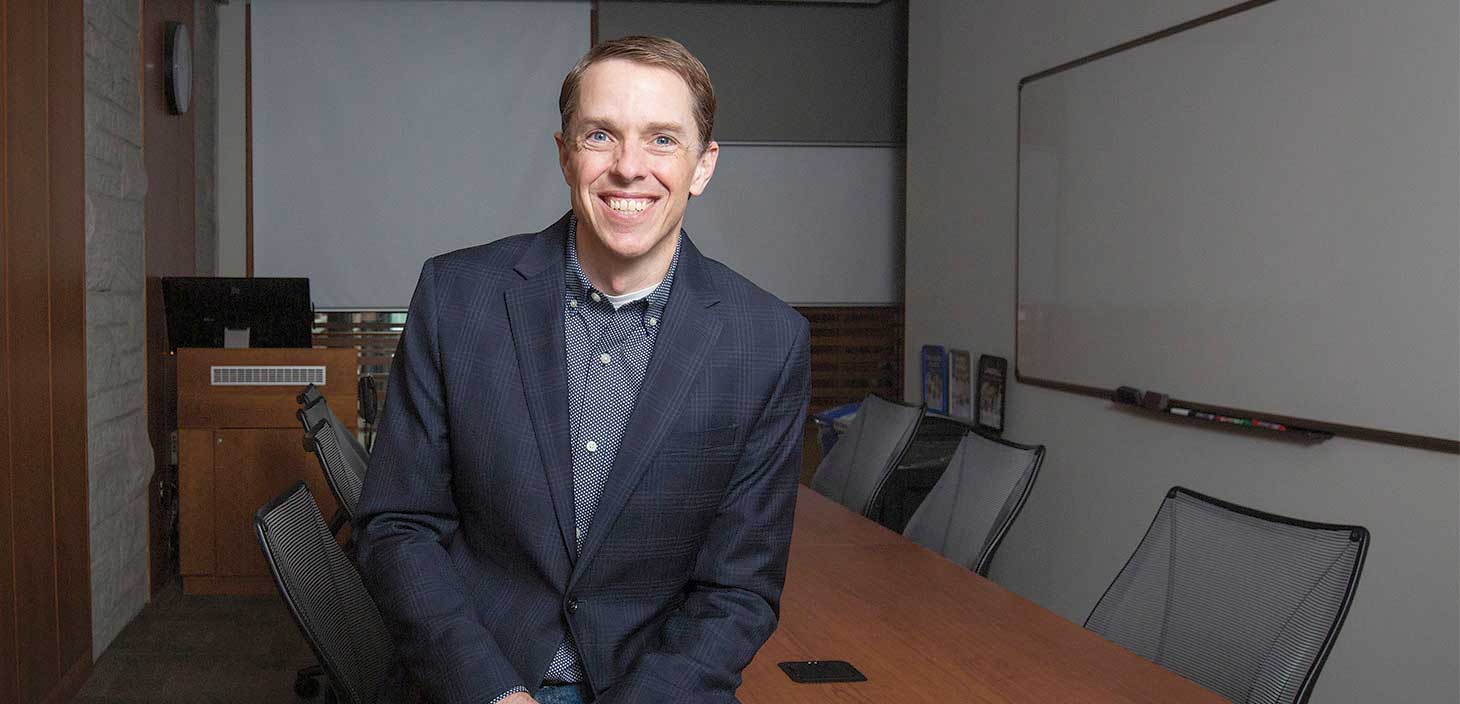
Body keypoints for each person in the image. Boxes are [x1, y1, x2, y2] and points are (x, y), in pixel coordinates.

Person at [354, 35, 811, 704]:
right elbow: (397, 528)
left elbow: (738, 592)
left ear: (703, 165)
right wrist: (493, 692)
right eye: (601, 135)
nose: (630, 168)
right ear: (565, 153)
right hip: (478, 680)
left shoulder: (766, 341)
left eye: (662, 140)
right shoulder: (457, 297)